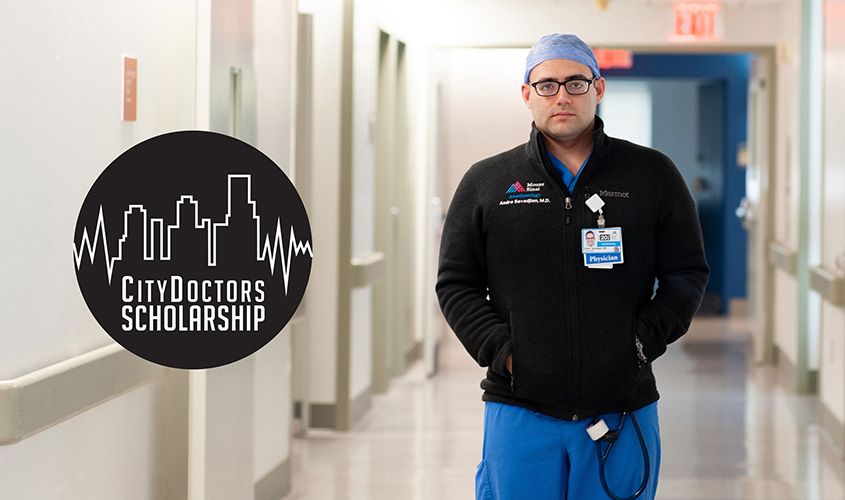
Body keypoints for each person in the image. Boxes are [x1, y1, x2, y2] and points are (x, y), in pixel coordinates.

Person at [435, 33, 709, 500]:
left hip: (623, 406)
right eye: (546, 85)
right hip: (520, 408)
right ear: (527, 95)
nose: (561, 95)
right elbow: (456, 283)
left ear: (598, 89)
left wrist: (641, 342)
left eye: (576, 83)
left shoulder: (651, 175)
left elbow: (687, 274)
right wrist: (503, 351)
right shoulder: (488, 183)